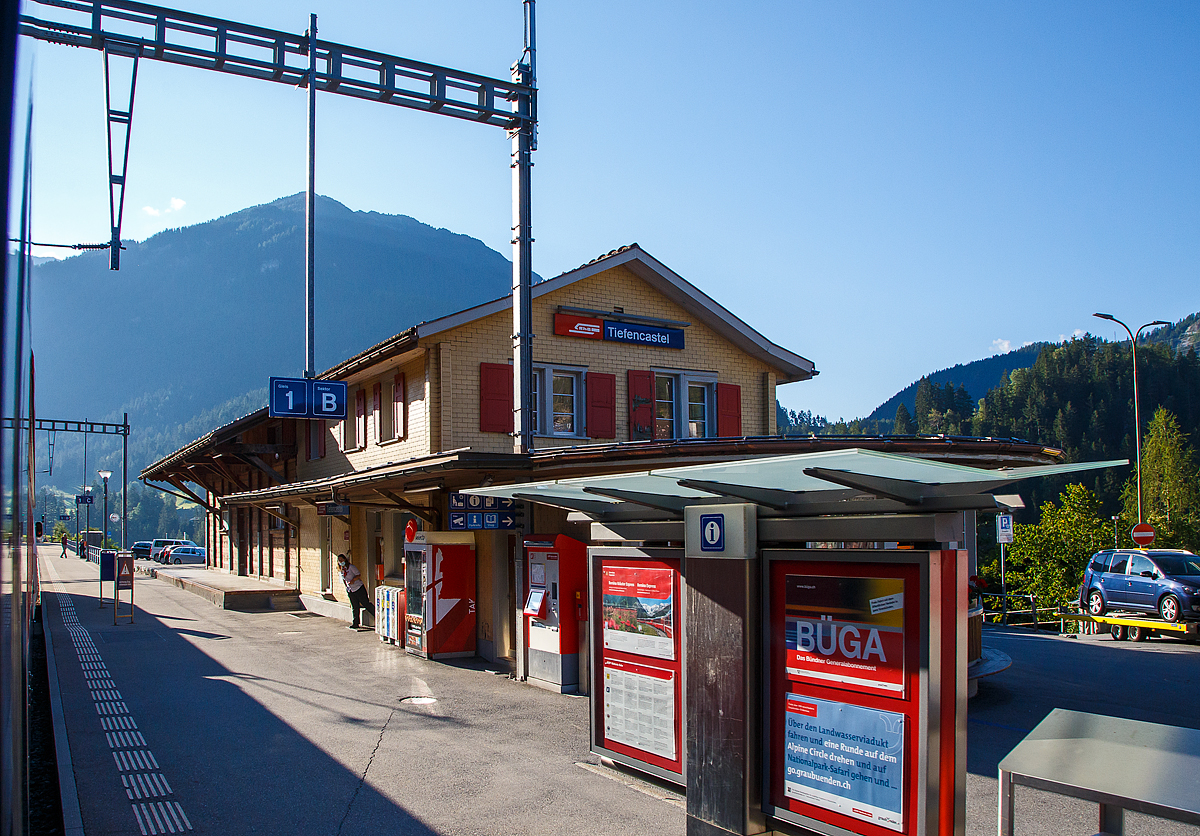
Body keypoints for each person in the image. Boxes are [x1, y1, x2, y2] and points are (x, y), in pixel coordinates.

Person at [338, 554, 375, 630]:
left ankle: (377, 617)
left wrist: (353, 580)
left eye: (342, 560)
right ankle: (355, 623)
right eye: (339, 561)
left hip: (358, 588)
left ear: (345, 559)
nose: (341, 562)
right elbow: (344, 579)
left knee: (366, 604)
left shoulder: (351, 567)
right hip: (350, 590)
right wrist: (347, 587)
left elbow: (358, 575)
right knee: (355, 606)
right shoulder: (342, 569)